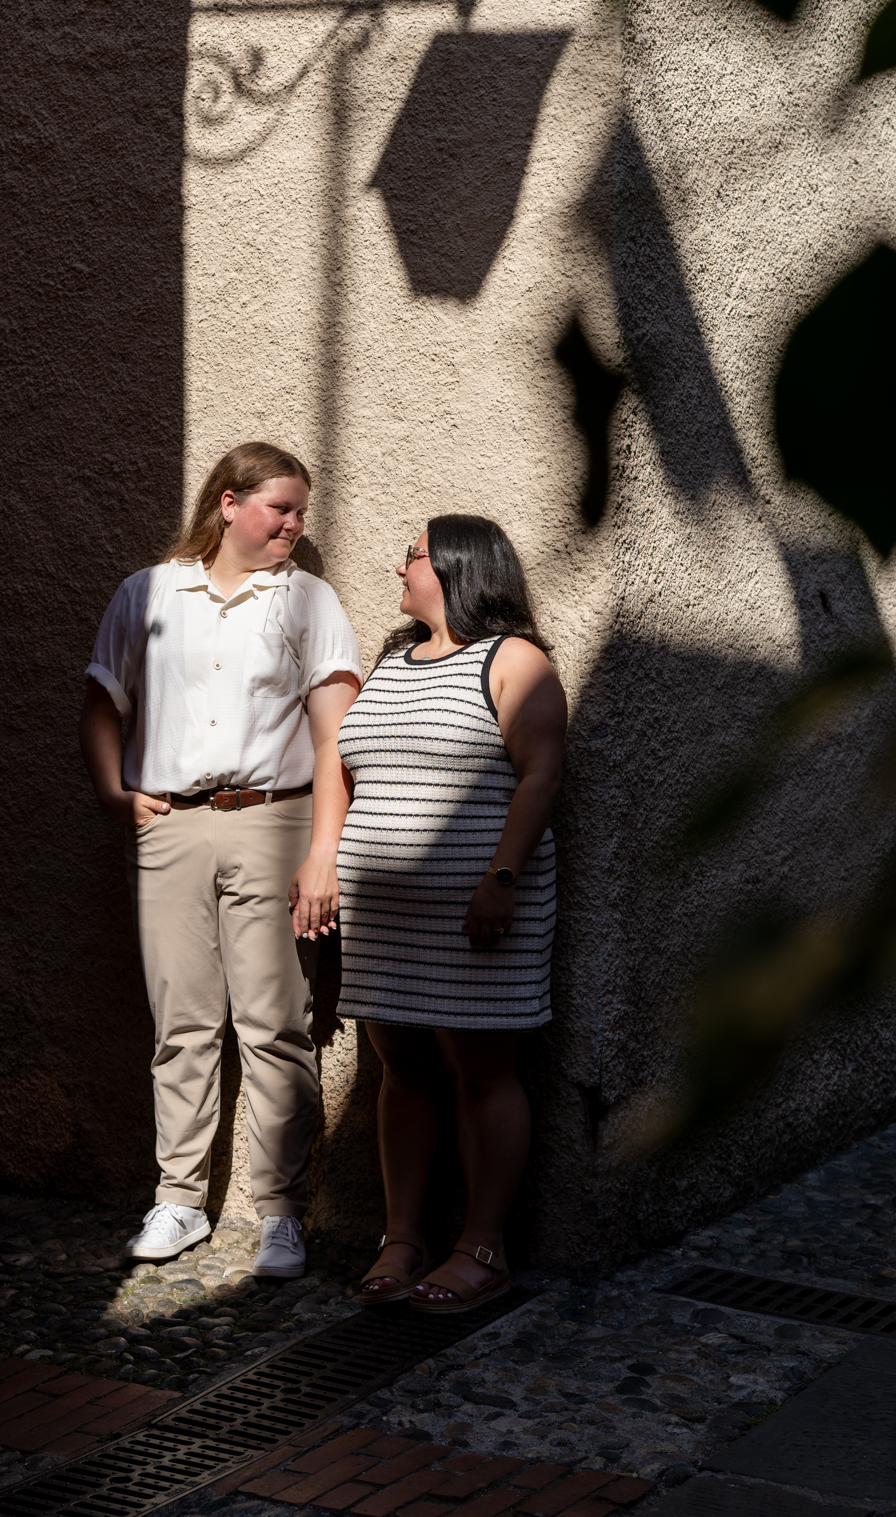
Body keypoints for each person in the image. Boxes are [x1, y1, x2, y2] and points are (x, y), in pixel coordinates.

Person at [80, 443, 361, 1278]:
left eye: (302, 513)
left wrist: (322, 852)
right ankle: (177, 1200)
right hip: (169, 826)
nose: (294, 527)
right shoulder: (150, 593)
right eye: (281, 509)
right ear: (229, 503)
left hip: (273, 821)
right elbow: (100, 700)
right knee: (182, 1022)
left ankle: (279, 1212)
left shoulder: (307, 601)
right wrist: (113, 792)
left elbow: (333, 739)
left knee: (277, 1024)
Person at [334, 515, 566, 1311]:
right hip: (387, 922)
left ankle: (484, 1246)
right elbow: (350, 764)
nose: (400, 566)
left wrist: (500, 877)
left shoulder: (514, 661)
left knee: (482, 1075)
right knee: (401, 1071)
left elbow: (540, 775)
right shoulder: (393, 661)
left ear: (461, 567)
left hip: (479, 917)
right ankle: (402, 1237)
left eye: (414, 555)